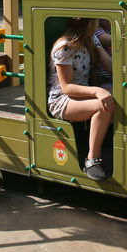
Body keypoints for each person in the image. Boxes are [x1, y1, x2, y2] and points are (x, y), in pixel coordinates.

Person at [47, 18, 114, 181]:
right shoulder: (65, 47)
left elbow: (111, 67)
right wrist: (97, 91)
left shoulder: (90, 40)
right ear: (89, 23)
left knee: (118, 95)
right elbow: (67, 87)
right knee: (102, 106)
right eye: (96, 21)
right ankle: (92, 158)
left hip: (82, 93)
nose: (98, 24)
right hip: (61, 100)